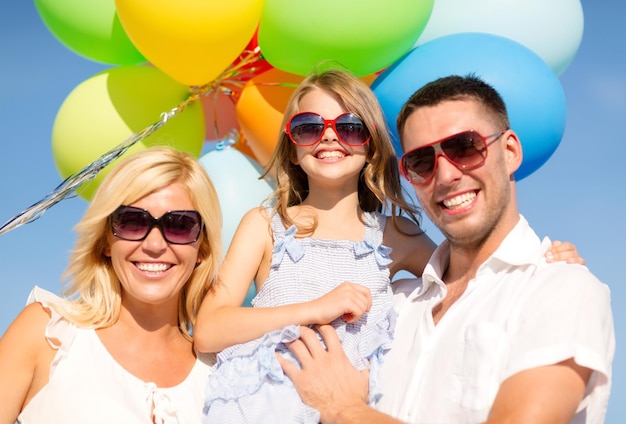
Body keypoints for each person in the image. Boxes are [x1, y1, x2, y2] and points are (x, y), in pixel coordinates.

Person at [194, 69, 584, 423]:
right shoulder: (265, 226)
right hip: (260, 410)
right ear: (292, 147)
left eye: (349, 127)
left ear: (372, 146)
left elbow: (472, 274)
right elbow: (209, 329)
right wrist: (314, 309)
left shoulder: (393, 235)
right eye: (310, 126)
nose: (329, 136)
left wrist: (541, 261)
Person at [0, 146, 223, 423]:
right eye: (132, 222)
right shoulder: (47, 336)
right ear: (105, 240)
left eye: (179, 225)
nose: (154, 245)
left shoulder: (224, 376)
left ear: (202, 247)